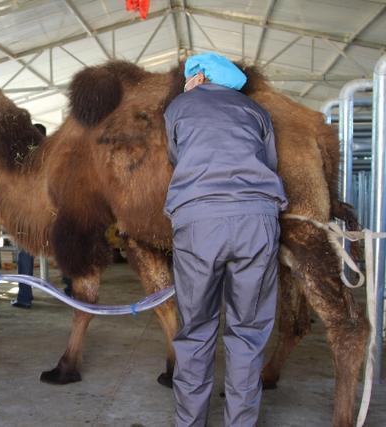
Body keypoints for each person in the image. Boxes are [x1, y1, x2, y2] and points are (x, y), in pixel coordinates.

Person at [164, 52, 287, 427]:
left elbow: (176, 157)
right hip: (257, 223)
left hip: (200, 224)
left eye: (189, 77)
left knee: (196, 332)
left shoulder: (179, 108)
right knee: (248, 334)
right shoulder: (256, 112)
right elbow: (270, 163)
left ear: (199, 78)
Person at [11, 123, 46, 309]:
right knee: (62, 251)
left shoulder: (24, 159)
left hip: (28, 214)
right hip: (51, 213)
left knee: (25, 255)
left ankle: (25, 296)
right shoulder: (52, 155)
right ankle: (72, 292)